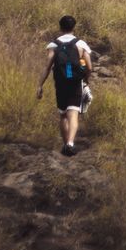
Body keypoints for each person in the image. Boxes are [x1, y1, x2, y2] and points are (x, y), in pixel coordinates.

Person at [38, 15, 93, 156]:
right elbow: (89, 67)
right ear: (74, 27)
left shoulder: (54, 45)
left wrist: (40, 85)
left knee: (63, 115)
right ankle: (70, 143)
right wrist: (87, 79)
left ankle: (65, 145)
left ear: (60, 27)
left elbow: (47, 67)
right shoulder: (80, 44)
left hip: (60, 82)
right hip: (75, 82)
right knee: (73, 113)